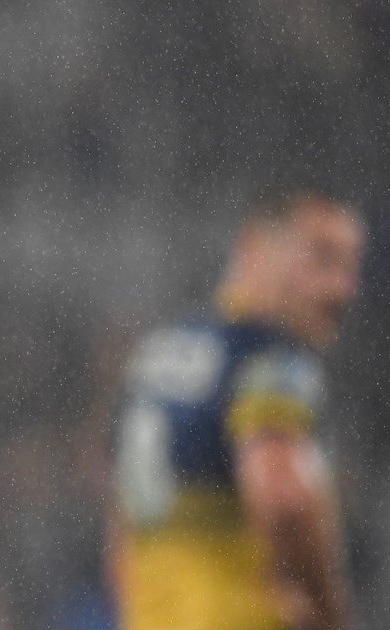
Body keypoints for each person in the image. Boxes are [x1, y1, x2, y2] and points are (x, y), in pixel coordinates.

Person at [109, 190, 363, 630]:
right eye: (321, 258)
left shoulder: (158, 354)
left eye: (349, 266)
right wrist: (327, 612)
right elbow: (283, 501)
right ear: (255, 248)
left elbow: (120, 535)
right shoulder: (268, 357)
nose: (341, 289)